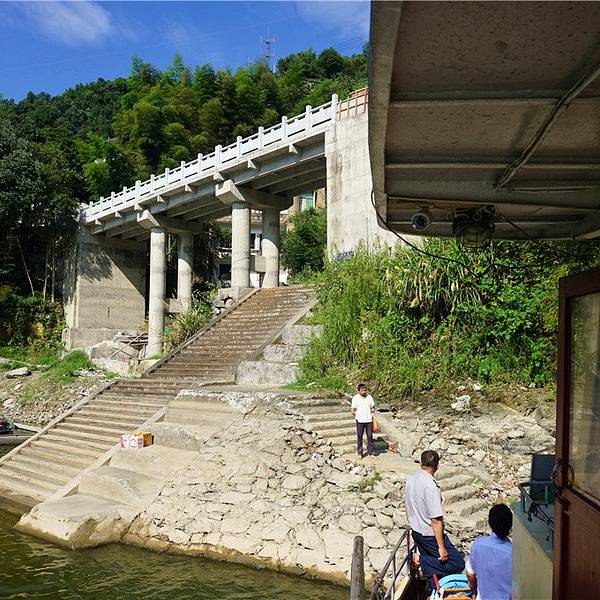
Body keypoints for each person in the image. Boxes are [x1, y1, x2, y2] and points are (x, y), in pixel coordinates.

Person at [405, 450, 465, 592]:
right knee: (457, 562)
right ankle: (419, 560)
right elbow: (436, 520)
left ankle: (434, 590)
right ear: (437, 466)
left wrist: (411, 527)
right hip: (429, 534)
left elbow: (407, 505)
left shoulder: (411, 479)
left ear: (421, 463)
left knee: (434, 566)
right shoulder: (431, 486)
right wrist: (441, 547)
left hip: (417, 531)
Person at [466, 504, 513, 600]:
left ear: (490, 523)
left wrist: (474, 589)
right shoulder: (513, 552)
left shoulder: (478, 544)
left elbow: (470, 574)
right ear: (510, 525)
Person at [350, 383, 375, 458]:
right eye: (362, 390)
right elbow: (353, 410)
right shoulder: (355, 398)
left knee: (370, 436)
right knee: (360, 436)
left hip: (369, 420)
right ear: (358, 391)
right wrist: (358, 415)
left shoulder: (369, 397)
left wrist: (372, 411)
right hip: (360, 421)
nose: (363, 391)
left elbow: (373, 406)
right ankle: (360, 453)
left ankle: (371, 453)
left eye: (364, 389)